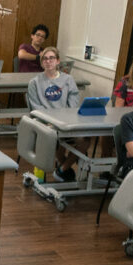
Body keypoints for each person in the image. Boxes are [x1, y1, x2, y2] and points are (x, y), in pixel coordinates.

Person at [27, 47, 89, 181]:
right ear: (41, 62)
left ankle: (63, 168)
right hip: (46, 123)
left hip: (65, 123)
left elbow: (73, 102)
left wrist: (64, 120)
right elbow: (36, 109)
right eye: (45, 58)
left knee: (84, 141)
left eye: (51, 58)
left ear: (58, 61)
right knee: (53, 138)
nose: (48, 61)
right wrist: (50, 122)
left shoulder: (68, 80)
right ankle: (62, 169)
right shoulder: (34, 83)